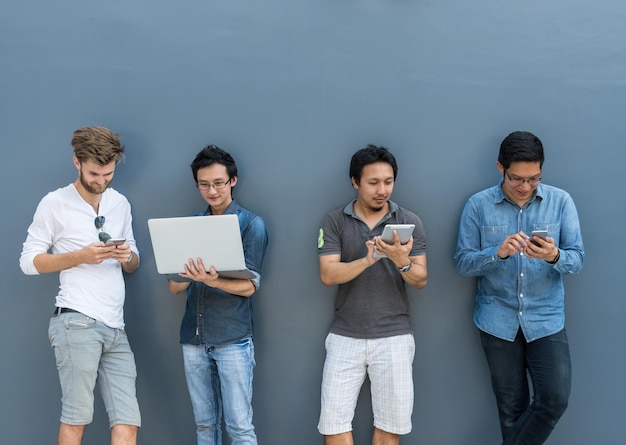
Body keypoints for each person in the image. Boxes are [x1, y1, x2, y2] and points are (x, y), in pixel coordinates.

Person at [454, 131, 585, 445]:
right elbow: (462, 262)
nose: (526, 186)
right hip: (497, 320)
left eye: (534, 178)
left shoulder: (561, 201)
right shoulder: (478, 205)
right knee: (511, 410)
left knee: (554, 400)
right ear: (501, 168)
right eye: (517, 178)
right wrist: (497, 253)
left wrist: (554, 255)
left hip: (546, 320)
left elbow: (577, 259)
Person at [19, 126, 141, 445]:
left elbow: (134, 263)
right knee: (77, 418)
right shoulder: (54, 203)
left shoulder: (120, 204)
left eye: (108, 174)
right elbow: (28, 262)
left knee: (128, 422)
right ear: (77, 163)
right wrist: (80, 256)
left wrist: (127, 256)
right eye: (94, 174)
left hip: (116, 327)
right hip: (76, 322)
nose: (101, 181)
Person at [317, 144, 428, 445]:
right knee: (334, 423)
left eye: (388, 181)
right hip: (344, 335)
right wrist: (368, 260)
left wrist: (399, 259)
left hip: (394, 336)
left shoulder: (410, 221)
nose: (382, 190)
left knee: (390, 426)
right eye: (373, 182)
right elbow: (328, 274)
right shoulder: (335, 221)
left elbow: (420, 279)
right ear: (355, 182)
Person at [167, 145, 268, 445]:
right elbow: (174, 287)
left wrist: (213, 281)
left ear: (233, 181)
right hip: (193, 339)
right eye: (204, 185)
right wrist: (187, 275)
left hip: (232, 339)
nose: (212, 191)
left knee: (239, 427)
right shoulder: (191, 226)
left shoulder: (251, 224)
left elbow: (250, 286)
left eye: (218, 183)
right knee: (204, 427)